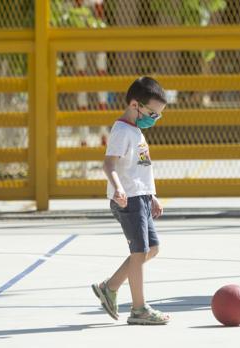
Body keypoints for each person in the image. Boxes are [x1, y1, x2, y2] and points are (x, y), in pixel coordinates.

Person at [92, 76, 170, 324]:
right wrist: (118, 189)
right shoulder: (122, 131)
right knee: (139, 252)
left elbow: (142, 168)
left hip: (141, 198)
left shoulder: (136, 131)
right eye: (152, 113)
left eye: (158, 115)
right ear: (135, 105)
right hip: (129, 200)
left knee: (151, 249)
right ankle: (139, 309)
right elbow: (108, 164)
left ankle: (110, 287)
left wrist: (152, 195)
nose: (154, 118)